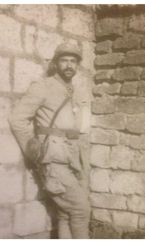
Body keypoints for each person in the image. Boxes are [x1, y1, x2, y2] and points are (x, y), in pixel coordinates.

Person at [9, 42, 92, 239]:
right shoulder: (43, 86)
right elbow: (17, 119)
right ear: (55, 63)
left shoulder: (78, 91)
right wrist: (33, 148)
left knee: (65, 214)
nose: (69, 65)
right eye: (64, 60)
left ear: (78, 65)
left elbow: (82, 128)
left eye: (73, 61)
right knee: (81, 210)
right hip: (54, 160)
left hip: (75, 159)